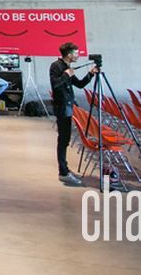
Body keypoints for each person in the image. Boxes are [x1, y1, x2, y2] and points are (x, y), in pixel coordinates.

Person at [49, 42, 98, 185]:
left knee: (65, 139)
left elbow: (80, 84)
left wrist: (91, 74)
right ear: (69, 54)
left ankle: (64, 169)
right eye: (76, 53)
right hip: (62, 107)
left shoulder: (67, 67)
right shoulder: (56, 66)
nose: (78, 55)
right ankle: (63, 172)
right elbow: (55, 85)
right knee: (63, 140)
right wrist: (66, 75)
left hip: (68, 106)